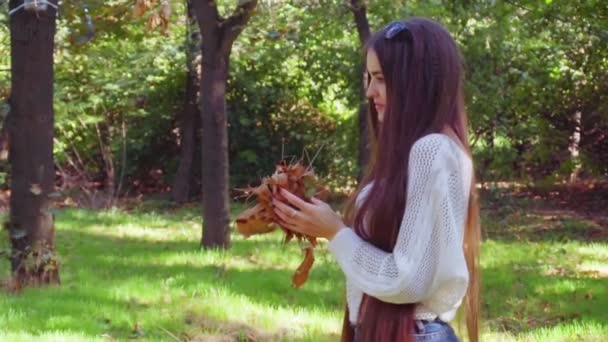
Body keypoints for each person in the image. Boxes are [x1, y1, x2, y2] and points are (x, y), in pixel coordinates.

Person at [272, 17, 480, 342]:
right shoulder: (431, 149)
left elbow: (406, 280)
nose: (370, 92)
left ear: (417, 81)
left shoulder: (431, 150)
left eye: (381, 79)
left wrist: (334, 231)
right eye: (369, 78)